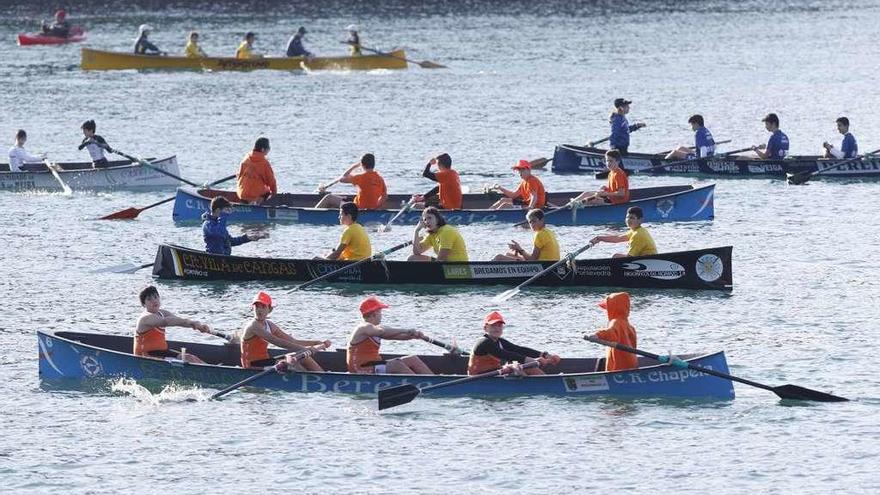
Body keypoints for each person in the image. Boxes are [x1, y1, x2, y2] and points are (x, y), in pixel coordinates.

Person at [239, 291, 330, 370]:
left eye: (263, 307)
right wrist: (304, 349)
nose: (259, 310)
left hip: (265, 362)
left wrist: (316, 343)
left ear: (270, 309)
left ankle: (321, 375)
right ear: (252, 308)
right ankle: (314, 380)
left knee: (302, 357)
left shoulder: (269, 324)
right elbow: (278, 342)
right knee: (292, 360)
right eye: (256, 307)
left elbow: (293, 341)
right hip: (252, 365)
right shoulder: (253, 325)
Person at [346, 296, 433, 374]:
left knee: (412, 359)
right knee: (396, 364)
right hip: (360, 369)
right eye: (380, 312)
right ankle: (420, 384)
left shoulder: (374, 328)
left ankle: (433, 380)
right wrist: (406, 330)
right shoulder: (364, 327)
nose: (381, 315)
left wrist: (413, 336)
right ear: (374, 313)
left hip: (373, 365)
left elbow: (396, 336)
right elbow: (382, 331)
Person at [467, 311, 560, 376]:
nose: (497, 328)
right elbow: (506, 355)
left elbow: (518, 349)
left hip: (494, 372)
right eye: (493, 325)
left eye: (499, 325)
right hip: (479, 376)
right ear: (485, 328)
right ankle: (545, 385)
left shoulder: (500, 341)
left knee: (523, 367)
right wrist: (533, 360)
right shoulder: (484, 342)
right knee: (526, 367)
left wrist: (545, 355)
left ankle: (539, 385)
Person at [134, 285, 210, 363]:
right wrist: (191, 322)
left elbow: (179, 321)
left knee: (191, 358)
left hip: (161, 352)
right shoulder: (145, 318)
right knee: (188, 358)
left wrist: (198, 326)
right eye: (149, 299)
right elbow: (166, 322)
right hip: (145, 356)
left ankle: (212, 369)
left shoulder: (162, 312)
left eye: (156, 297)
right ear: (143, 304)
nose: (154, 301)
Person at [314, 153, 387, 210]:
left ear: (362, 165)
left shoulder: (360, 177)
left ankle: (313, 214)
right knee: (346, 198)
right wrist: (375, 207)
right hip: (372, 208)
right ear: (373, 164)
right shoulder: (380, 179)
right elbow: (384, 196)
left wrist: (354, 166)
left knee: (329, 198)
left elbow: (342, 178)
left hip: (356, 209)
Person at [587, 292, 638, 372]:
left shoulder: (615, 322)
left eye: (608, 308)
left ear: (613, 309)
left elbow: (610, 333)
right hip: (631, 362)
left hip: (619, 365)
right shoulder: (629, 326)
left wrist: (597, 335)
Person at [202, 196, 268, 255]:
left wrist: (247, 238)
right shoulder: (208, 224)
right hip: (214, 260)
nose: (228, 213)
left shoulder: (219, 223)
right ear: (218, 210)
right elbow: (219, 233)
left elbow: (230, 241)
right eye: (226, 210)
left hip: (225, 259)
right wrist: (223, 216)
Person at [493, 209, 560, 261]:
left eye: (534, 221)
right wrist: (518, 250)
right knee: (508, 254)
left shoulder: (539, 234)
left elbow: (532, 259)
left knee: (499, 257)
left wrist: (520, 249)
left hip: (544, 267)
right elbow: (535, 257)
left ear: (542, 220)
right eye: (530, 222)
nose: (532, 224)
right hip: (551, 265)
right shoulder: (549, 232)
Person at [589, 206, 657, 257]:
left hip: (649, 262)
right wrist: (599, 238)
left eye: (632, 218)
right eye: (627, 217)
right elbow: (618, 238)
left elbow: (629, 257)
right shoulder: (636, 230)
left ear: (640, 220)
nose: (628, 220)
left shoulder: (638, 234)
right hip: (644, 260)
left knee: (616, 256)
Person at [236, 137, 277, 204]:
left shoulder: (246, 158)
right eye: (268, 148)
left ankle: (248, 203)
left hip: (241, 194)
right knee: (268, 192)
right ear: (263, 149)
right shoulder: (264, 163)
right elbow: (271, 182)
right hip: (254, 195)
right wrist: (274, 194)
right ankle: (256, 204)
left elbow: (238, 176)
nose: (269, 150)